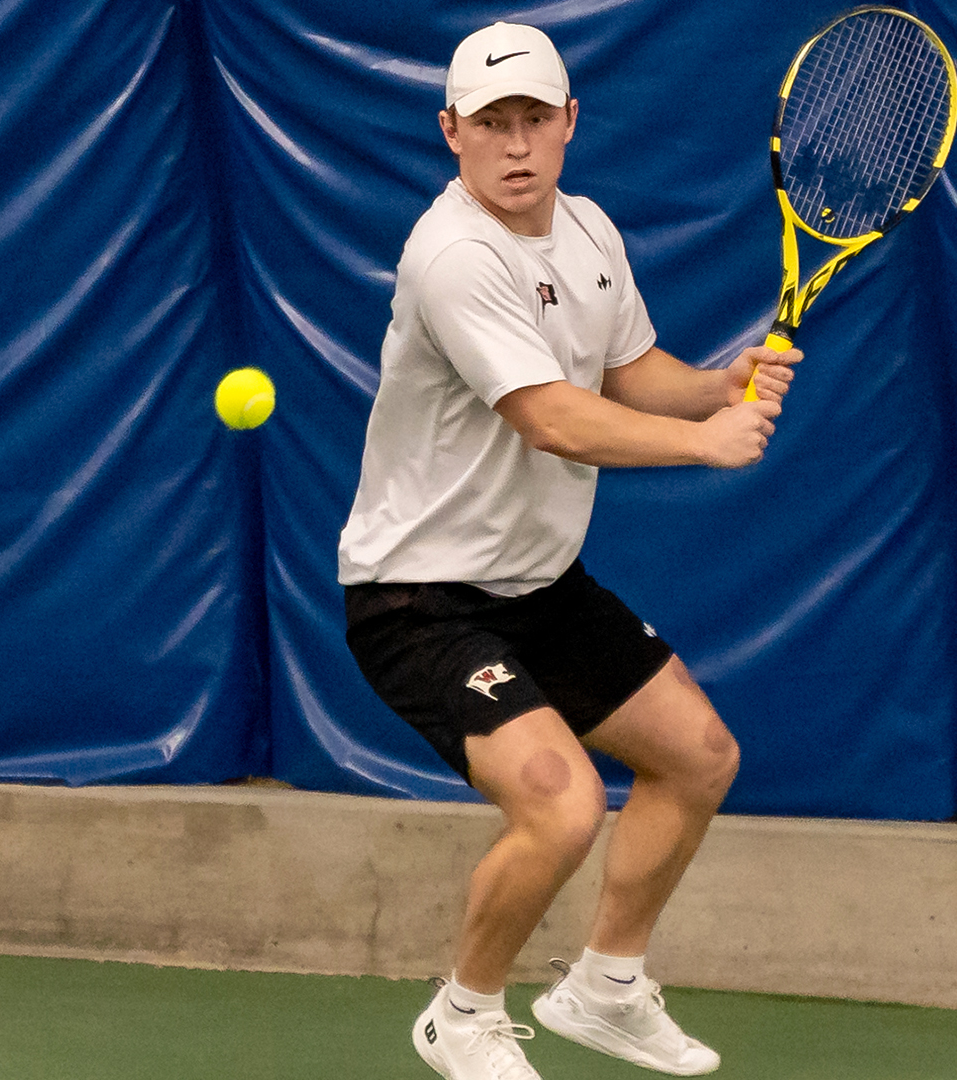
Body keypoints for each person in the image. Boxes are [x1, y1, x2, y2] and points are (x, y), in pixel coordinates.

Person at [337, 20, 800, 1080]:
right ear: (449, 132)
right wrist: (703, 445)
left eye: (532, 119)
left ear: (568, 124)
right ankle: (462, 1016)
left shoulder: (587, 230)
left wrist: (717, 385)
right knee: (562, 804)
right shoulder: (453, 254)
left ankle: (606, 987)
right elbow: (550, 417)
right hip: (419, 600)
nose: (514, 144)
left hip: (538, 583)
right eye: (490, 123)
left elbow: (628, 375)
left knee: (697, 757)